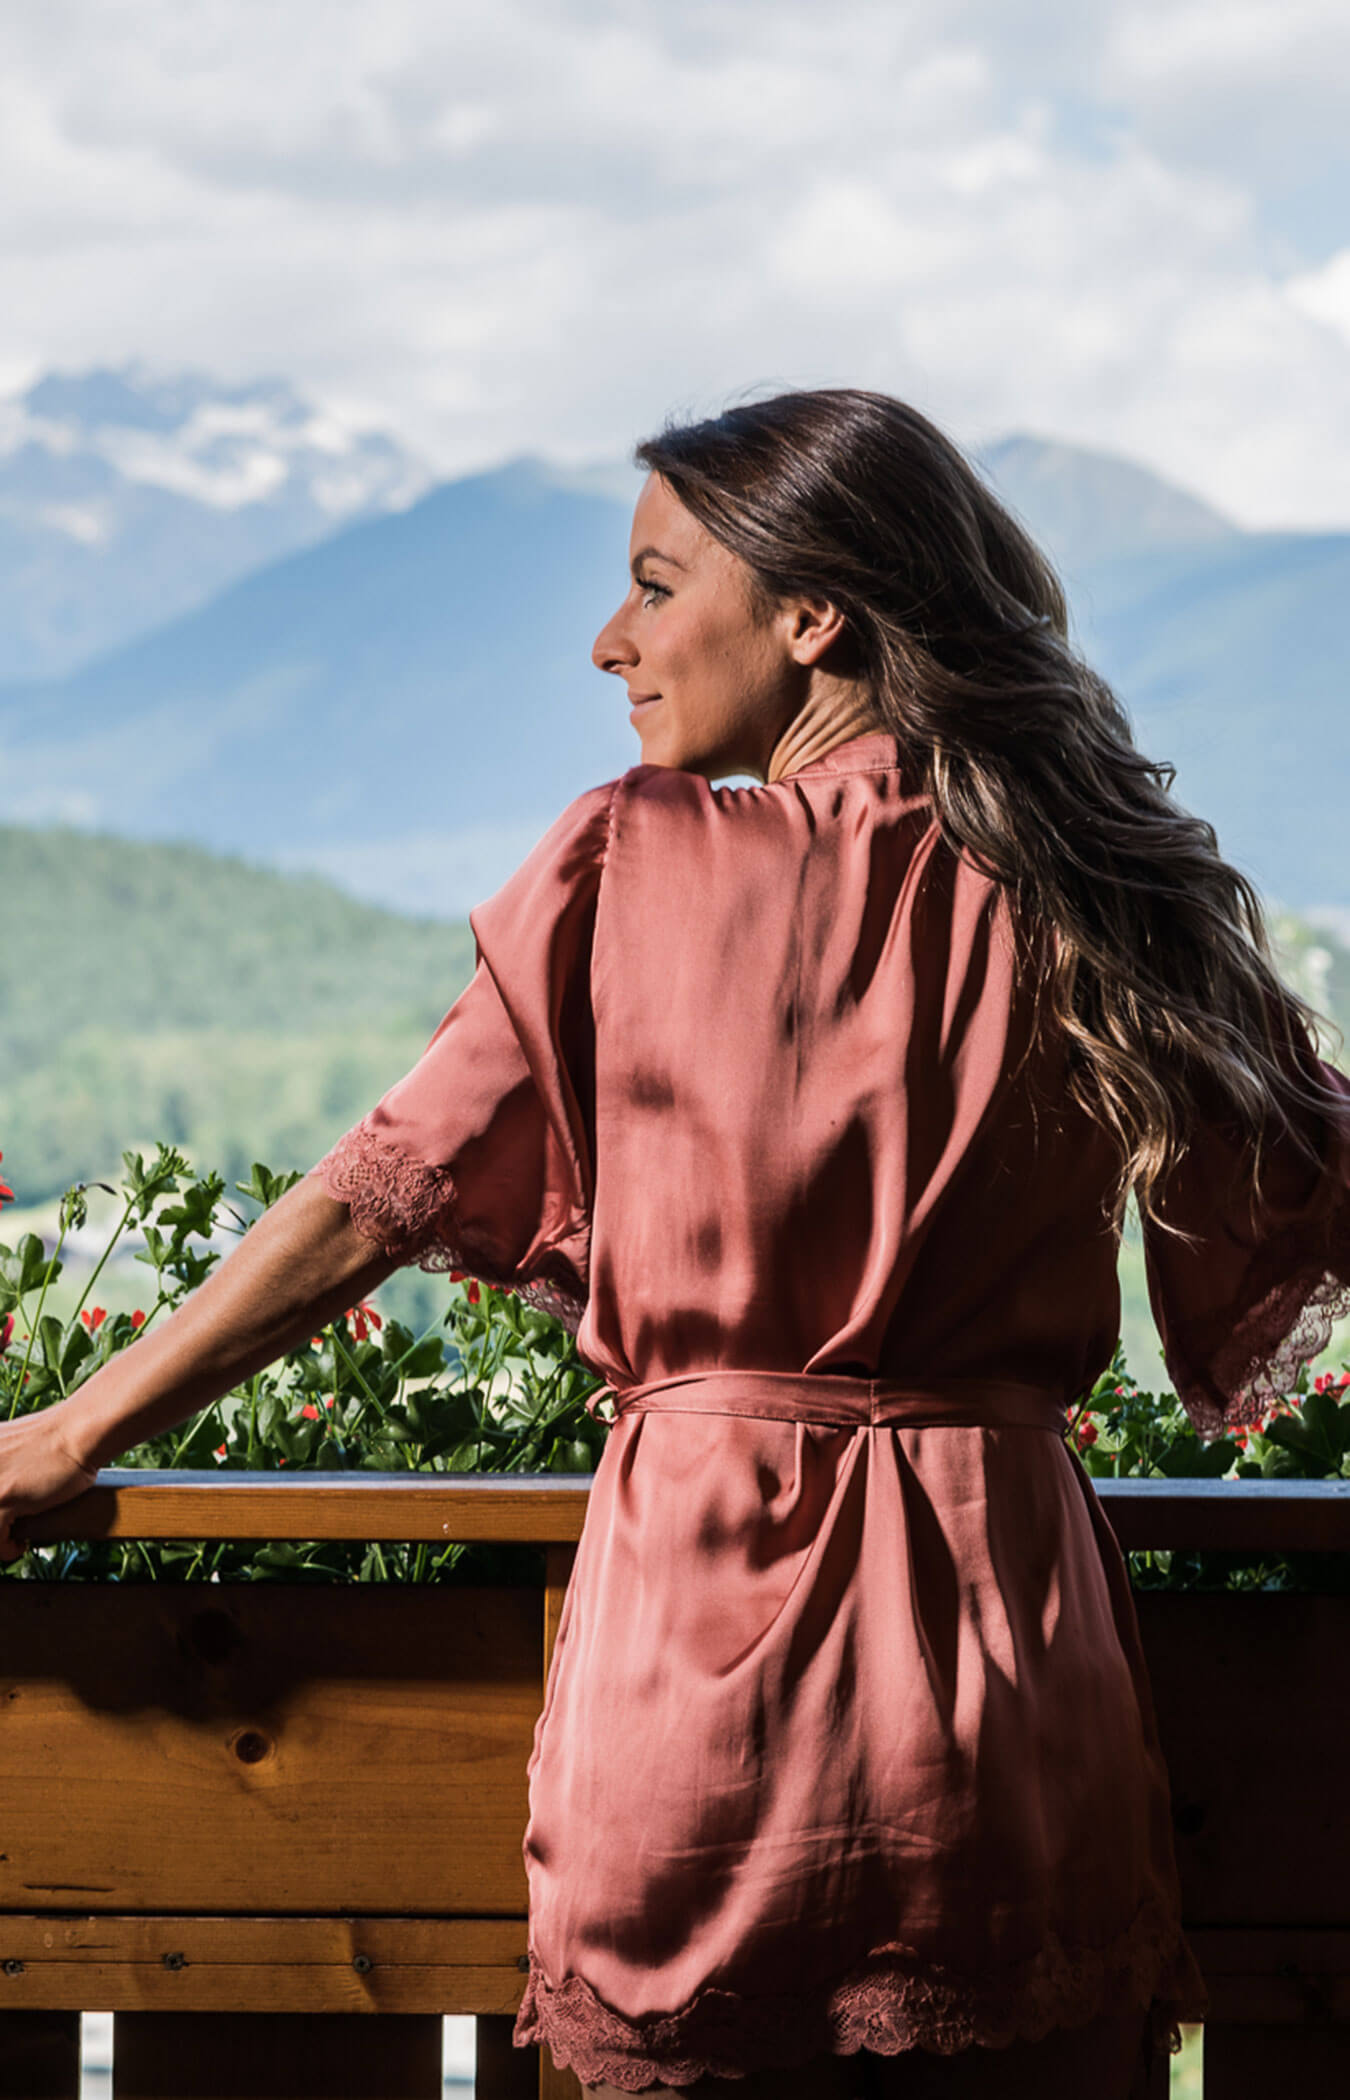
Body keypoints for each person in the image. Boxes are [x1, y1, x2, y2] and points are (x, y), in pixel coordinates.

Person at [2, 387, 1348, 2100]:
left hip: (699, 1653)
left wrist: (70, 1433)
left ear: (810, 615)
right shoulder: (1097, 888)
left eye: (652, 585)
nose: (605, 641)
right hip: (1008, 1667)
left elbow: (374, 1200)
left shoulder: (621, 872)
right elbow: (1322, 1177)